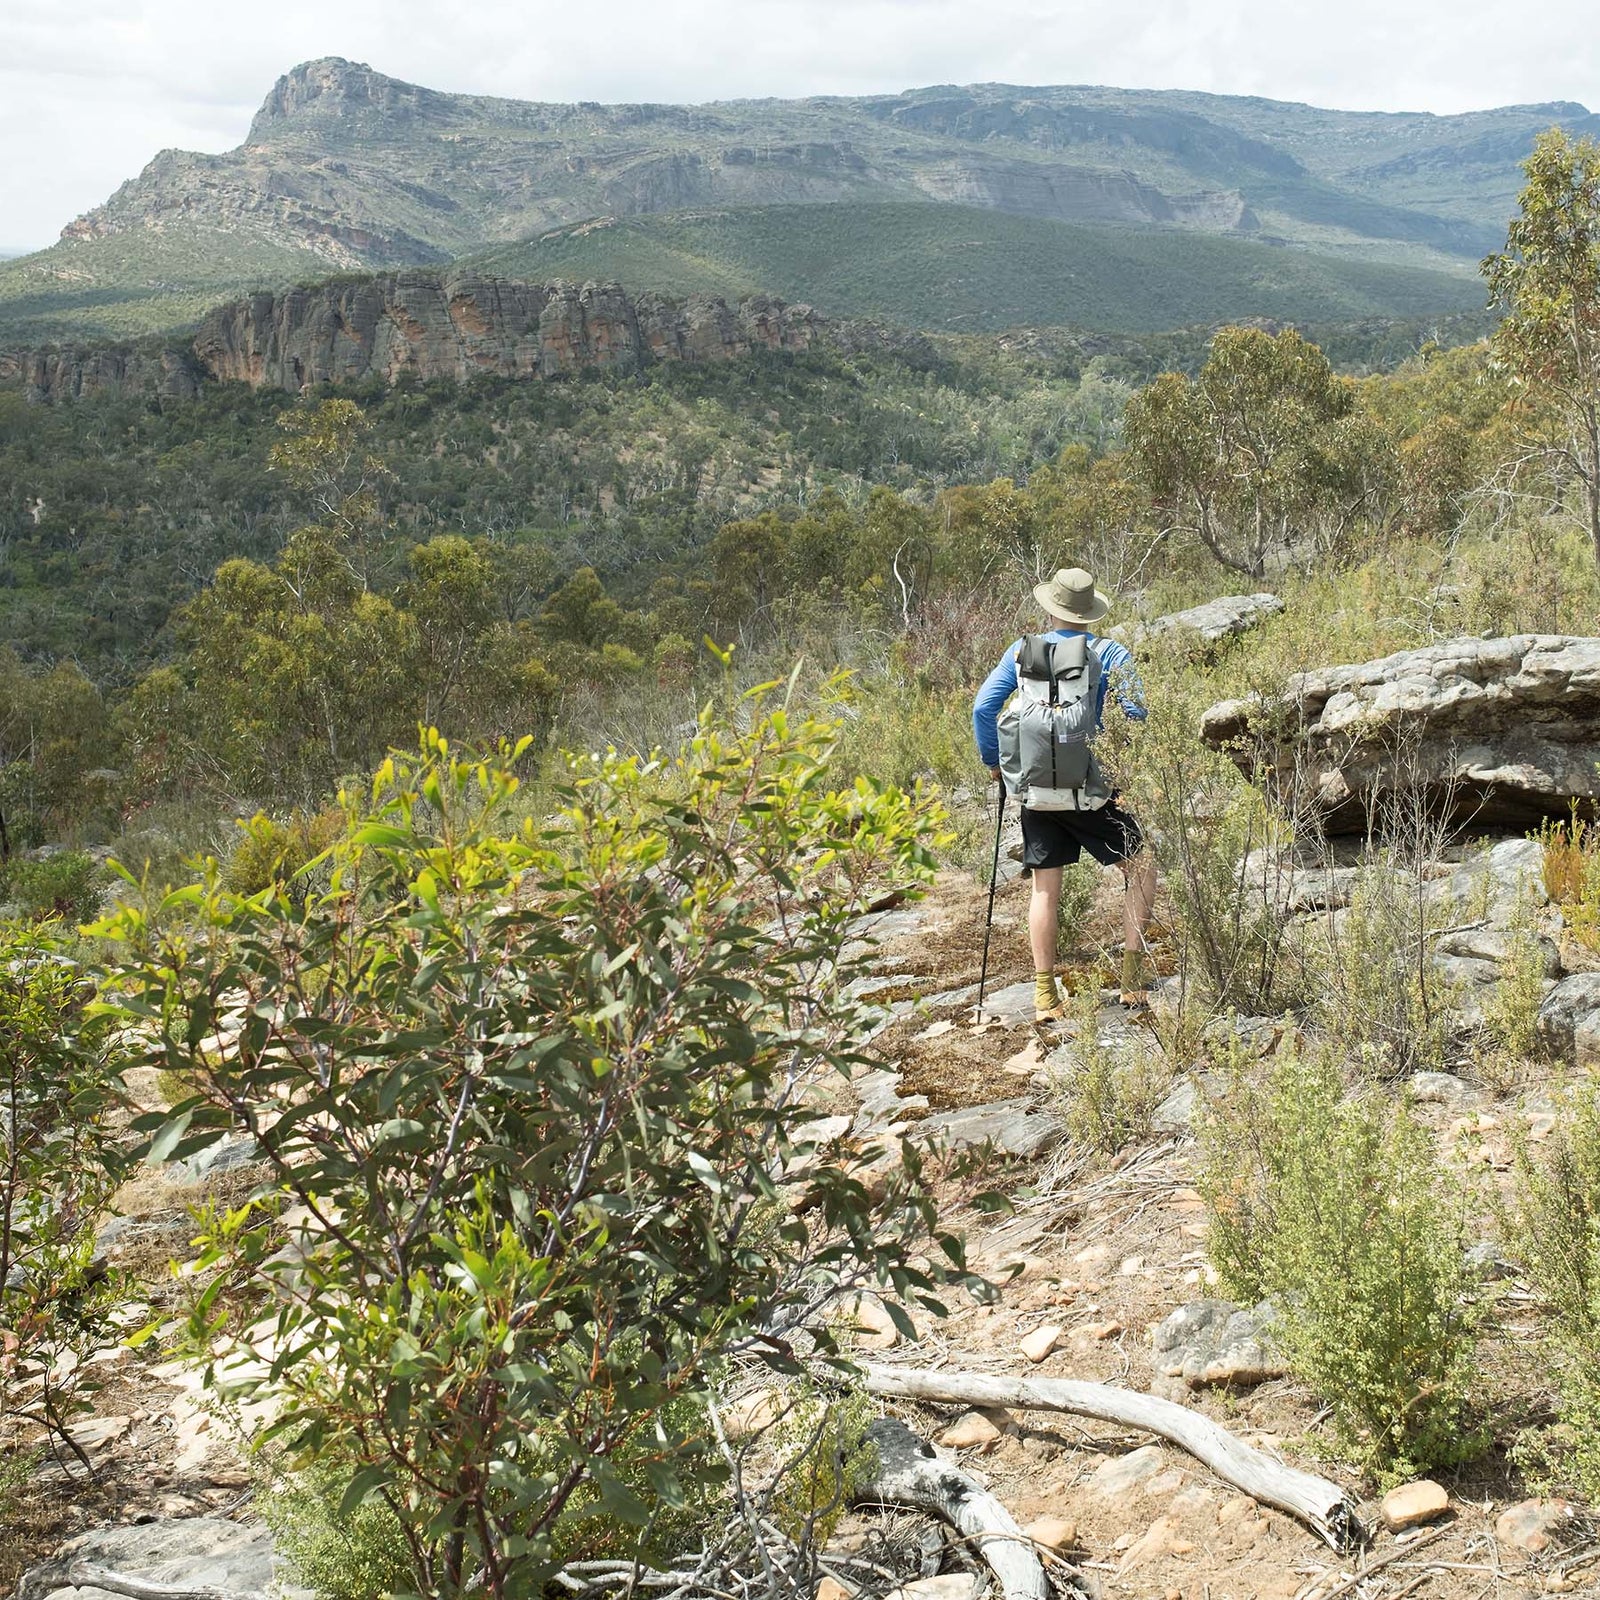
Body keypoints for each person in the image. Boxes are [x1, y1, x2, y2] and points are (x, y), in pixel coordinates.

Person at [972, 566, 1156, 1021]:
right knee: (1143, 866)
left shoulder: (1021, 651)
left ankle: (1044, 996)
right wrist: (1121, 769)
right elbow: (1135, 711)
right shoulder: (1111, 652)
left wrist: (996, 763)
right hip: (1092, 790)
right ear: (1090, 612)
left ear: (1050, 607)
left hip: (1036, 790)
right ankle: (1131, 981)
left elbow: (983, 707)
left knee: (1044, 890)